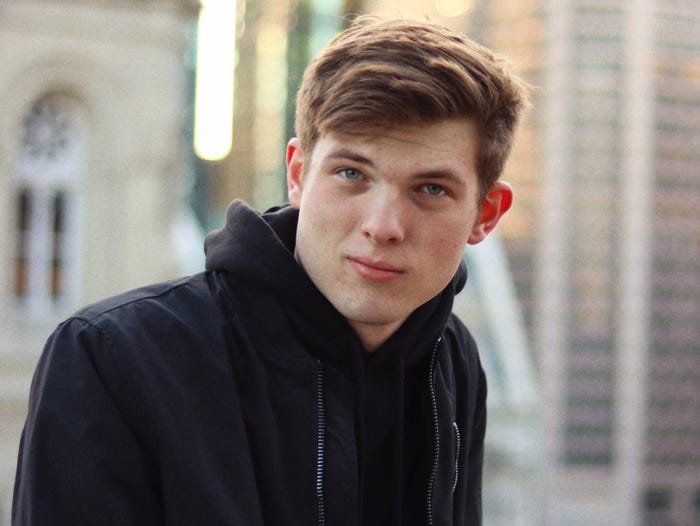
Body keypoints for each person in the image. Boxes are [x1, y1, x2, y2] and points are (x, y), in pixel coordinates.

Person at [12, 16, 528, 526]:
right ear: (298, 175)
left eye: (431, 189)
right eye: (352, 173)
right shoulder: (112, 357)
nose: (384, 226)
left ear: (484, 214)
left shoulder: (452, 357)